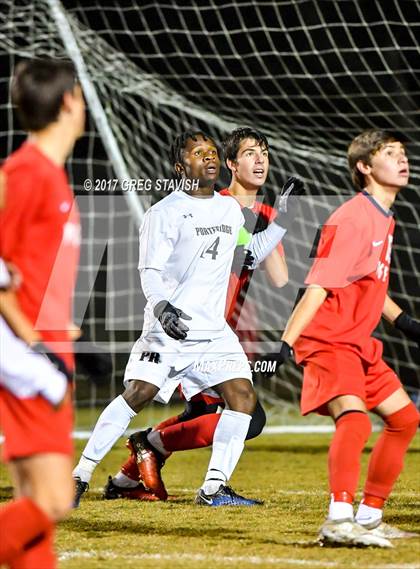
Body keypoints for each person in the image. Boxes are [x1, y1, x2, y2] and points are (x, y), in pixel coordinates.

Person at [73, 129, 303, 507]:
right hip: (170, 329)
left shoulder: (230, 210)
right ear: (181, 166)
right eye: (199, 153)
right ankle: (80, 474)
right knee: (138, 395)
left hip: (213, 333)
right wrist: (162, 308)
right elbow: (148, 270)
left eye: (212, 151)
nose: (209, 157)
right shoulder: (163, 212)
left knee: (243, 398)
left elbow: (250, 255)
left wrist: (283, 220)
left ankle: (214, 488)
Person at [274, 129, 419, 547]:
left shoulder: (383, 214)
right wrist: (287, 342)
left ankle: (369, 518)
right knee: (354, 420)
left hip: (357, 342)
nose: (401, 158)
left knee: (405, 419)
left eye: (402, 152)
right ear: (364, 167)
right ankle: (339, 520)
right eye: (389, 153)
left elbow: (369, 281)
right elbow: (318, 286)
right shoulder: (353, 217)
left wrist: (405, 323)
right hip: (328, 339)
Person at [0, 58, 85, 568]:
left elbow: (24, 275)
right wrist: (35, 342)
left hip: (45, 351)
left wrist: (58, 326)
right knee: (54, 499)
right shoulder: (25, 173)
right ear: (69, 101)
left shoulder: (50, 176)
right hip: (29, 362)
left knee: (37, 523)